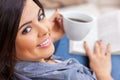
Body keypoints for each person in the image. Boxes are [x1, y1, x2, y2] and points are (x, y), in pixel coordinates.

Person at [0, 0, 113, 80]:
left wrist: (49, 39)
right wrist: (103, 73)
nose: (45, 29)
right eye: (27, 29)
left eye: (40, 17)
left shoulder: (9, 65)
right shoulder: (73, 76)